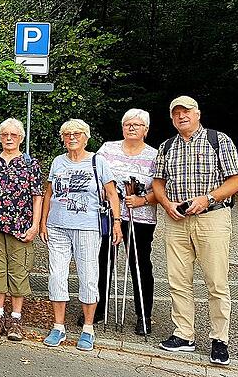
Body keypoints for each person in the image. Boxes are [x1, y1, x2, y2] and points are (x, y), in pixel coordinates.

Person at [153, 96, 238, 365]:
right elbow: (158, 182)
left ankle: (220, 339)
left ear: (198, 114)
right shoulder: (166, 146)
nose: (181, 116)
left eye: (186, 111)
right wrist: (166, 203)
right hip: (177, 220)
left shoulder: (219, 140)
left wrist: (208, 199)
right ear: (172, 118)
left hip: (211, 218)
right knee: (178, 280)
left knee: (216, 282)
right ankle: (184, 335)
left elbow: (237, 180)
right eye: (176, 113)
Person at [40, 119, 122, 351]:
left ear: (86, 137)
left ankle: (88, 328)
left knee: (88, 276)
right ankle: (58, 327)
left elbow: (112, 195)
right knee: (57, 275)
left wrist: (117, 223)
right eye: (67, 134)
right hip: (57, 226)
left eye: (77, 134)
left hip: (88, 227)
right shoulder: (57, 162)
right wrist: (44, 222)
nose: (72, 138)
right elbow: (49, 194)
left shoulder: (98, 161)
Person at [0, 118, 43, 341]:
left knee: (18, 271)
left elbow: (37, 197)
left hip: (20, 227)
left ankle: (15, 320)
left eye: (13, 135)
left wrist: (35, 225)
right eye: (5, 135)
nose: (9, 139)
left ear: (21, 138)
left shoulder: (31, 164)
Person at [91, 109, 158, 334]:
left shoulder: (155, 155)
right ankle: (97, 308)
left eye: (137, 125)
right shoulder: (107, 149)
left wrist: (143, 200)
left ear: (145, 131)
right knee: (102, 261)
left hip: (141, 217)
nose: (131, 128)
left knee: (139, 265)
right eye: (128, 124)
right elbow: (94, 177)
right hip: (108, 214)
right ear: (122, 127)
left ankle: (144, 315)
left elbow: (162, 189)